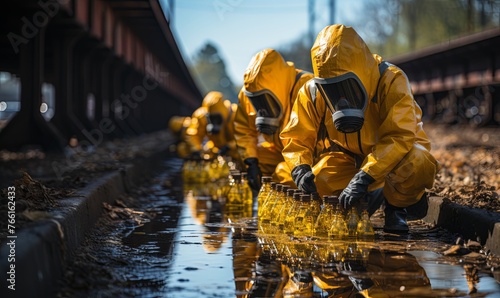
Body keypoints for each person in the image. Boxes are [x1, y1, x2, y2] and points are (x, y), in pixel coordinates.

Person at [280, 24, 440, 233]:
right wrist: (299, 167)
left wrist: (365, 176)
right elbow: (296, 136)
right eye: (333, 91)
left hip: (395, 159)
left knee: (417, 163)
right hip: (349, 159)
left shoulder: (390, 79)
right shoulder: (312, 91)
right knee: (321, 179)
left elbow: (399, 136)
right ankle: (365, 200)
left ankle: (396, 208)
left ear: (361, 76)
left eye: (346, 88)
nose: (341, 100)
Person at [234, 48, 313, 193]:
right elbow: (243, 130)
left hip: (309, 159)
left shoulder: (307, 87)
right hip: (279, 152)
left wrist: (299, 166)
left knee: (284, 175)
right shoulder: (248, 94)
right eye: (257, 103)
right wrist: (251, 162)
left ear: (279, 88)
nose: (261, 109)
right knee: (248, 159)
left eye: (265, 101)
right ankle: (270, 191)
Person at [185, 91, 241, 165]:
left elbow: (245, 137)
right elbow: (193, 134)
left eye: (217, 118)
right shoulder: (201, 117)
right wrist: (196, 150)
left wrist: (229, 146)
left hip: (235, 152)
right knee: (183, 149)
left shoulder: (236, 114)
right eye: (211, 118)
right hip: (215, 152)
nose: (214, 122)